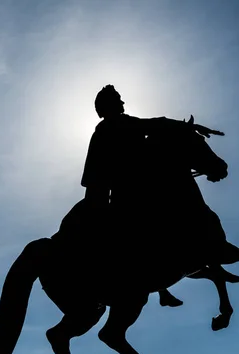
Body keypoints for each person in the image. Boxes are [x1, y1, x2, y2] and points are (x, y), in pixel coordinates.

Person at [80, 84, 227, 306]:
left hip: (131, 189)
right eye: (118, 100)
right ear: (107, 106)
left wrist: (185, 131)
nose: (122, 103)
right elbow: (156, 125)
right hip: (126, 194)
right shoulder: (113, 127)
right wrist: (186, 128)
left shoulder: (118, 125)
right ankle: (155, 282)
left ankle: (163, 287)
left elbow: (156, 127)